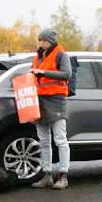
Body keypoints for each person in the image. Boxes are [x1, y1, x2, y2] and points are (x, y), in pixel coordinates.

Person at [29, 28, 73, 190]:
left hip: (56, 100)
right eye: (40, 40)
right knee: (44, 140)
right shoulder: (38, 56)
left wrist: (43, 72)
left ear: (51, 41)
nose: (42, 43)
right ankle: (47, 174)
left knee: (60, 139)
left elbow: (66, 74)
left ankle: (63, 175)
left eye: (45, 40)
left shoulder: (61, 54)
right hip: (39, 101)